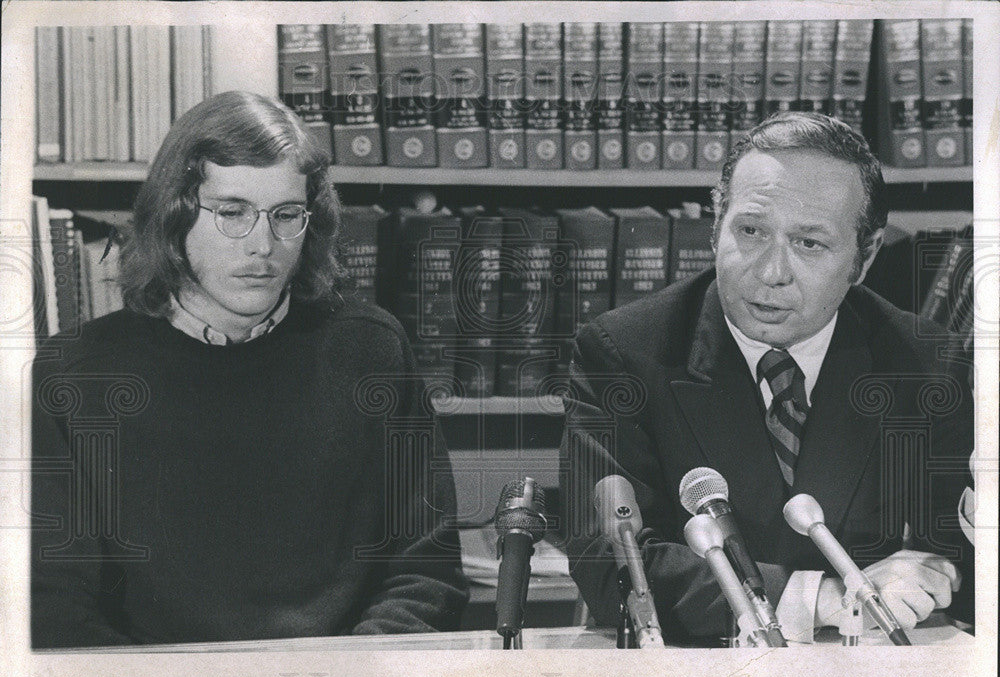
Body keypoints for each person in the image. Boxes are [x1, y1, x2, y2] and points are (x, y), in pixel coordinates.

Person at [31, 91, 468, 648]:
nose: (262, 245)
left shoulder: (371, 351)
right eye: (232, 213)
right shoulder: (73, 373)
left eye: (286, 215)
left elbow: (426, 572)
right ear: (174, 215)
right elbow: (50, 604)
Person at [561, 112, 974, 643]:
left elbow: (962, 548)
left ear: (864, 257)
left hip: (863, 670)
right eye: (750, 231)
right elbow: (612, 561)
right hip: (695, 673)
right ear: (716, 227)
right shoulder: (622, 354)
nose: (770, 271)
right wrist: (823, 596)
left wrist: (941, 572)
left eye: (809, 243)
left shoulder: (923, 361)